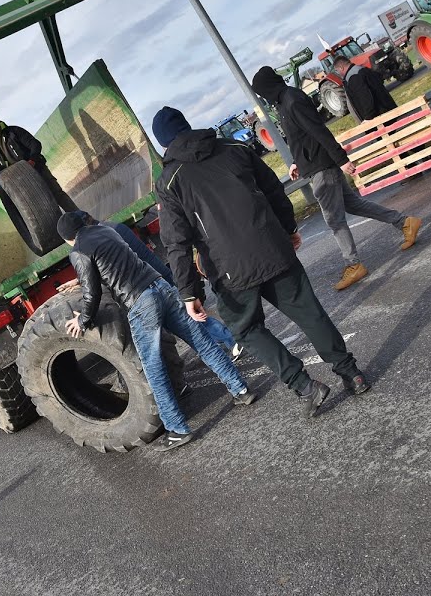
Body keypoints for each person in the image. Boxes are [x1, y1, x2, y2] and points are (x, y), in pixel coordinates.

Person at [150, 106, 373, 417]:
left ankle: (305, 386)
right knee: (310, 313)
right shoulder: (235, 147)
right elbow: (273, 190)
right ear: (188, 125)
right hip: (273, 247)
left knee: (246, 329)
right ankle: (352, 373)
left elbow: (177, 242)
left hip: (231, 271)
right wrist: (289, 229)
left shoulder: (170, 182)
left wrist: (190, 293)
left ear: (163, 143)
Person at [58, 211, 257, 452]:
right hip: (160, 286)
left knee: (153, 368)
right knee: (203, 343)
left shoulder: (78, 251)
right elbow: (115, 264)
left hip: (140, 301)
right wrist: (79, 280)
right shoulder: (106, 231)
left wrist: (83, 320)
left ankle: (178, 428)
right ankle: (241, 390)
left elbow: (93, 292)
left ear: (67, 238)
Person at [251, 68, 422, 291]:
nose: (263, 98)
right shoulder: (283, 103)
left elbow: (319, 131)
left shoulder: (292, 100)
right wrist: (296, 162)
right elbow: (299, 138)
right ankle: (404, 222)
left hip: (323, 167)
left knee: (334, 220)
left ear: (267, 88)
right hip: (315, 165)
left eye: (262, 93)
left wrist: (341, 160)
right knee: (354, 204)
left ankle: (354, 264)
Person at [75, 210, 243, 365]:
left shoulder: (104, 234)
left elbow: (110, 267)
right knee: (188, 316)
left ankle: (231, 340)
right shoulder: (112, 227)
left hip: (153, 280)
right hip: (156, 275)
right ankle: (221, 343)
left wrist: (82, 279)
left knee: (190, 317)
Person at [0, 112, 80, 235]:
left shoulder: (14, 131)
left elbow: (35, 144)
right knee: (42, 207)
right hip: (18, 183)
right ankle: (61, 233)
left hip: (36, 170)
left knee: (57, 194)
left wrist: (32, 160)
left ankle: (81, 219)